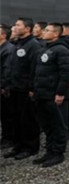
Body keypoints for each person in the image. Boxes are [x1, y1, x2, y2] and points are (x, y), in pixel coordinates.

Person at [32, 23, 69, 167]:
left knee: (58, 124)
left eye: (48, 30)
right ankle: (49, 151)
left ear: (56, 34)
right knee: (48, 125)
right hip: (42, 94)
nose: (44, 32)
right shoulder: (45, 48)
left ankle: (58, 153)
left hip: (54, 95)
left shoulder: (62, 50)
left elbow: (66, 74)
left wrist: (60, 93)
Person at [3, 18, 42, 160]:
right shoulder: (17, 44)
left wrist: (32, 88)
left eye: (18, 25)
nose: (15, 27)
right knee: (16, 118)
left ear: (27, 29)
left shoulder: (33, 45)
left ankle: (30, 147)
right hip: (14, 88)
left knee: (28, 119)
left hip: (25, 89)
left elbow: (35, 68)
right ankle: (18, 145)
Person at [0, 25, 15, 149]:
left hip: (4, 88)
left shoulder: (8, 49)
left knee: (7, 115)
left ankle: (9, 138)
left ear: (4, 35)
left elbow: (7, 70)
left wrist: (4, 86)